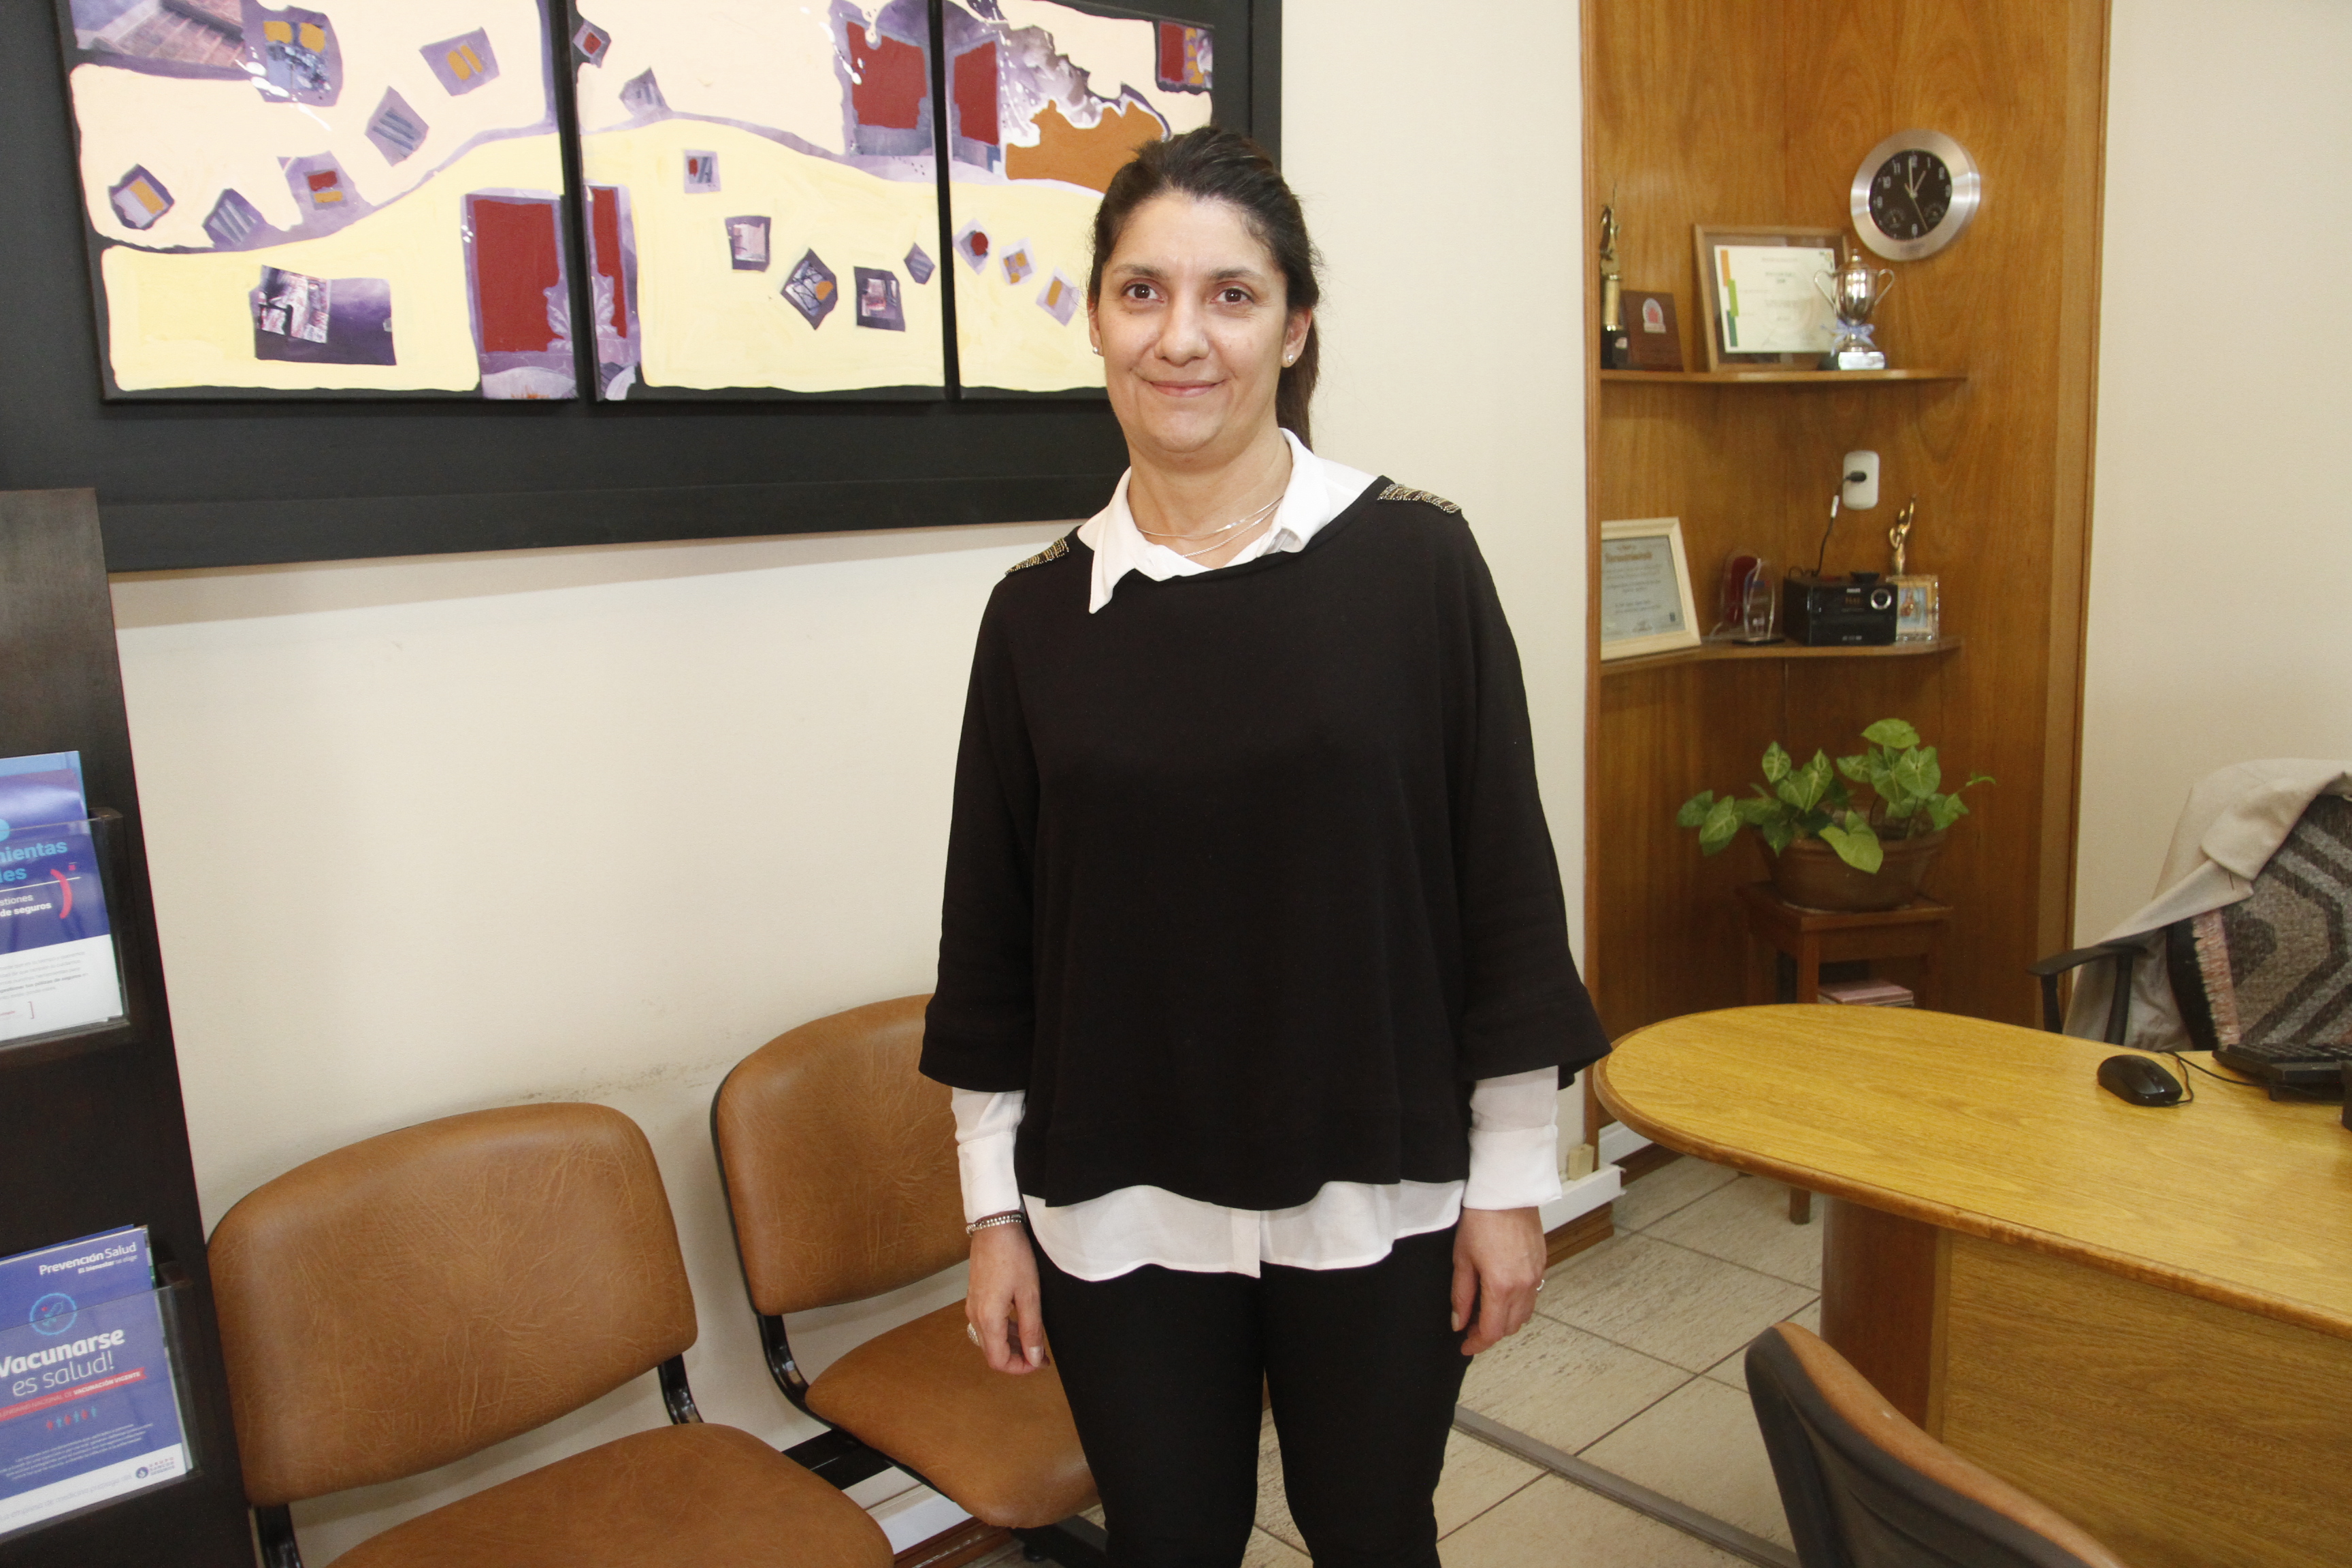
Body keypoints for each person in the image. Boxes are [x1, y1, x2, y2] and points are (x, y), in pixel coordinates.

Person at [920, 126, 1607, 1568]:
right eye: (1142, 292)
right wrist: (993, 1216)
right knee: (1170, 1542)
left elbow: (1502, 891)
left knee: (1371, 1530)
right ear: (1097, 318)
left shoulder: (1418, 563)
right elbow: (992, 942)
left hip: (1377, 1188)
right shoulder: (1035, 616)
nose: (1183, 337)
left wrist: (1509, 1186)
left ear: (1294, 329)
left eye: (1231, 295)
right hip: (1118, 1205)